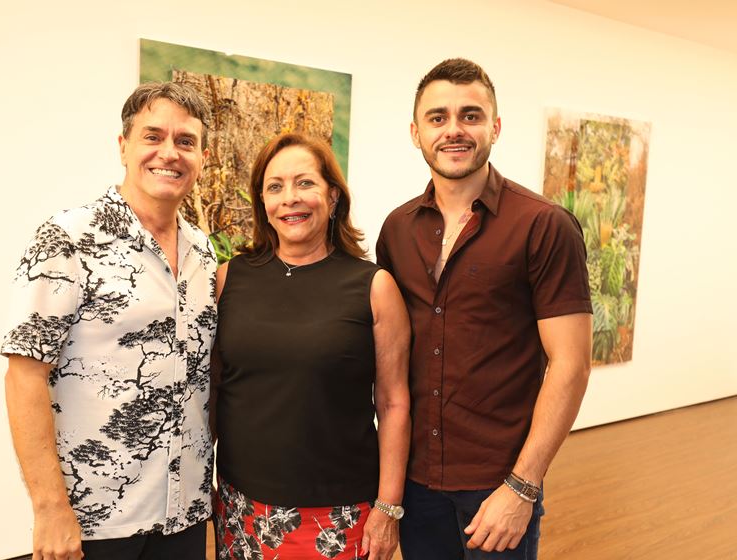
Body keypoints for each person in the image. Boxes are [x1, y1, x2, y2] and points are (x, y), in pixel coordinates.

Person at [376, 58, 593, 559]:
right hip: (415, 483)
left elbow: (572, 363)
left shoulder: (544, 226)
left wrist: (523, 487)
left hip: (498, 485)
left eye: (470, 116)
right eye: (438, 117)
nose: (454, 130)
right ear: (416, 132)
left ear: (494, 127)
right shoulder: (397, 230)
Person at [1, 82, 217, 560]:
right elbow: (24, 376)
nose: (169, 153)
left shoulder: (204, 252)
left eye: (186, 141)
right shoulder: (66, 239)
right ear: (123, 146)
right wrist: (50, 508)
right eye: (152, 136)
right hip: (92, 523)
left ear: (202, 156)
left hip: (184, 517)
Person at [213, 133, 411, 560]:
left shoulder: (373, 287)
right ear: (262, 202)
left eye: (305, 183)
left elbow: (394, 403)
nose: (290, 199)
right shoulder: (229, 279)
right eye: (275, 186)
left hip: (340, 514)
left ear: (333, 196)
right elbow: (212, 391)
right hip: (241, 505)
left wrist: (388, 507)